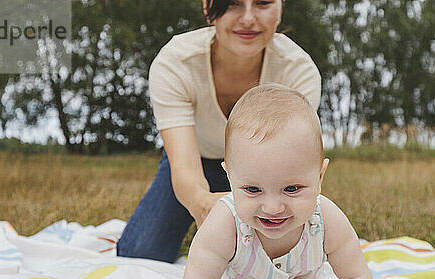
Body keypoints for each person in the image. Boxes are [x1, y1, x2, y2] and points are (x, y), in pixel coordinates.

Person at [117, 0, 321, 263]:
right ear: (207, 7)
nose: (248, 19)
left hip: (268, 174)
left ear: (281, 8)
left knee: (286, 255)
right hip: (197, 159)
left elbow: (293, 168)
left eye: (262, 3)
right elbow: (184, 168)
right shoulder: (175, 62)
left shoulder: (298, 71)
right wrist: (204, 206)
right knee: (140, 252)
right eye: (233, 4)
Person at [179, 84, 376, 279]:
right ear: (230, 179)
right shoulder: (225, 224)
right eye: (252, 190)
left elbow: (355, 276)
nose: (272, 208)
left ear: (320, 177)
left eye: (292, 189)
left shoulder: (326, 219)